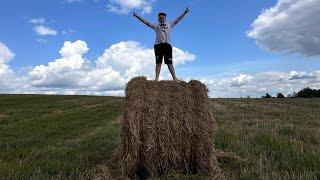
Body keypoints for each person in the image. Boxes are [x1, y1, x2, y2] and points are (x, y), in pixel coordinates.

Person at [133, 7, 190, 81]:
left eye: (163, 18)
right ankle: (156, 78)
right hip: (158, 45)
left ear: (165, 18)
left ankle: (174, 78)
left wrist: (184, 13)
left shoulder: (169, 24)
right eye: (160, 18)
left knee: (169, 62)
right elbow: (146, 22)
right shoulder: (155, 25)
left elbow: (177, 20)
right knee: (158, 62)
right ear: (158, 19)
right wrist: (137, 16)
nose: (161, 19)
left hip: (167, 45)